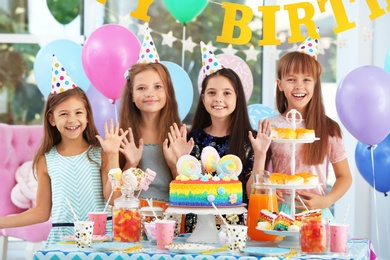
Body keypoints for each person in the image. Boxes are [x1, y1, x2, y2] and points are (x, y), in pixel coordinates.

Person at [0, 55, 127, 246]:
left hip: (101, 239)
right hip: (62, 242)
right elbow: (41, 212)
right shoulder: (46, 160)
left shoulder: (99, 152)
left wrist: (113, 156)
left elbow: (114, 199)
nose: (72, 120)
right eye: (63, 114)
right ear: (52, 119)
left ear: (86, 117)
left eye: (78, 113)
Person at [179, 42, 271, 231]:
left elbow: (254, 195)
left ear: (238, 98)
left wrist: (260, 154)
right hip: (196, 230)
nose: (218, 99)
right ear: (203, 98)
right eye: (211, 93)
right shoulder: (192, 139)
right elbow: (185, 191)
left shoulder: (251, 140)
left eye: (227, 93)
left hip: (236, 231)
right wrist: (178, 159)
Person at [267, 33, 352, 220]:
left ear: (315, 85)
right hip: (279, 212)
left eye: (306, 80)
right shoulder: (271, 126)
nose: (299, 86)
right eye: (291, 80)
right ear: (280, 84)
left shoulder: (329, 128)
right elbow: (262, 172)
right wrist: (268, 191)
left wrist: (326, 201)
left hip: (315, 212)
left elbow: (345, 176)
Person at [118, 28, 193, 210]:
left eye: (157, 87)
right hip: (131, 216)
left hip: (171, 218)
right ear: (132, 96)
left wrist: (176, 164)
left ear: (168, 92)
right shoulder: (121, 137)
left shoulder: (181, 136)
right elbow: (115, 196)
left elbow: (189, 197)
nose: (150, 94)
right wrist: (131, 164)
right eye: (141, 88)